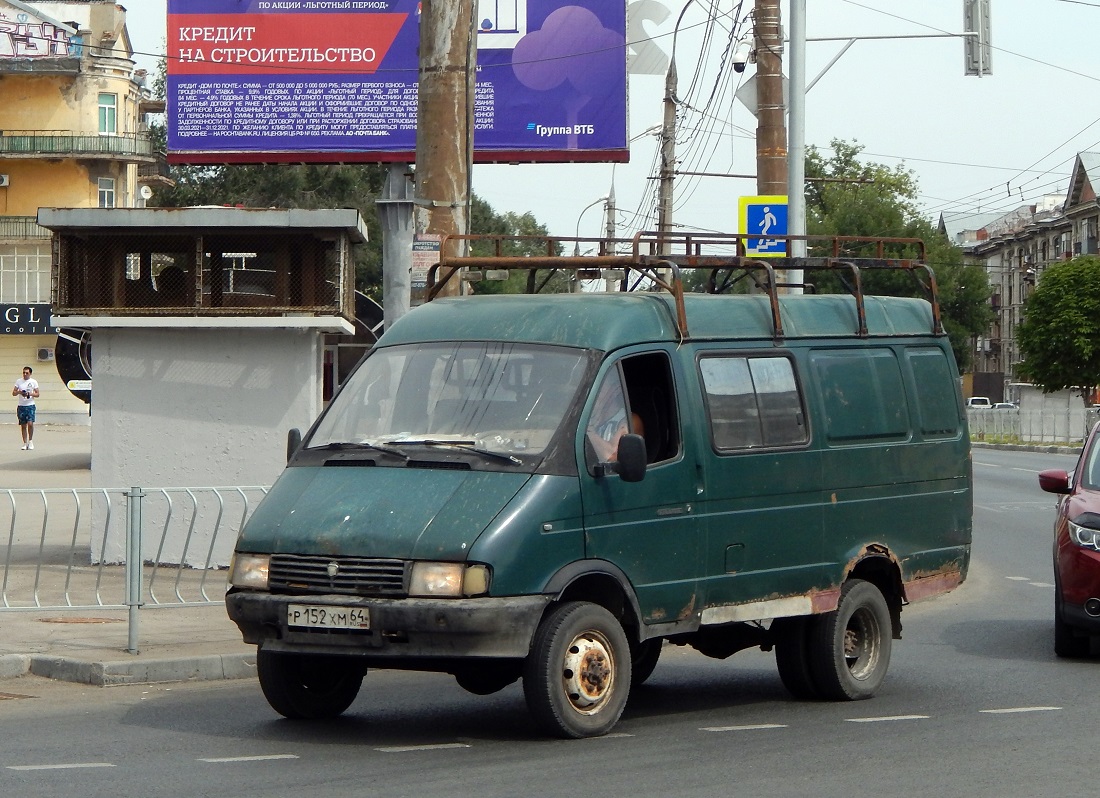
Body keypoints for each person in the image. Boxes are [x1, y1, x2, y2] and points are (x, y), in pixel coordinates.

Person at [12, 365, 39, 450]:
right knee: (23, 425)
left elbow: (37, 394)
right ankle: (24, 442)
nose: (25, 374)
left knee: (30, 423)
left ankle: (31, 441)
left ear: (30, 373)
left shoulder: (33, 382)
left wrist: (30, 394)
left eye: (27, 373)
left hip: (30, 405)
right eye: (23, 372)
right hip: (21, 406)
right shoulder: (19, 381)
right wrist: (20, 392)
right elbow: (13, 393)